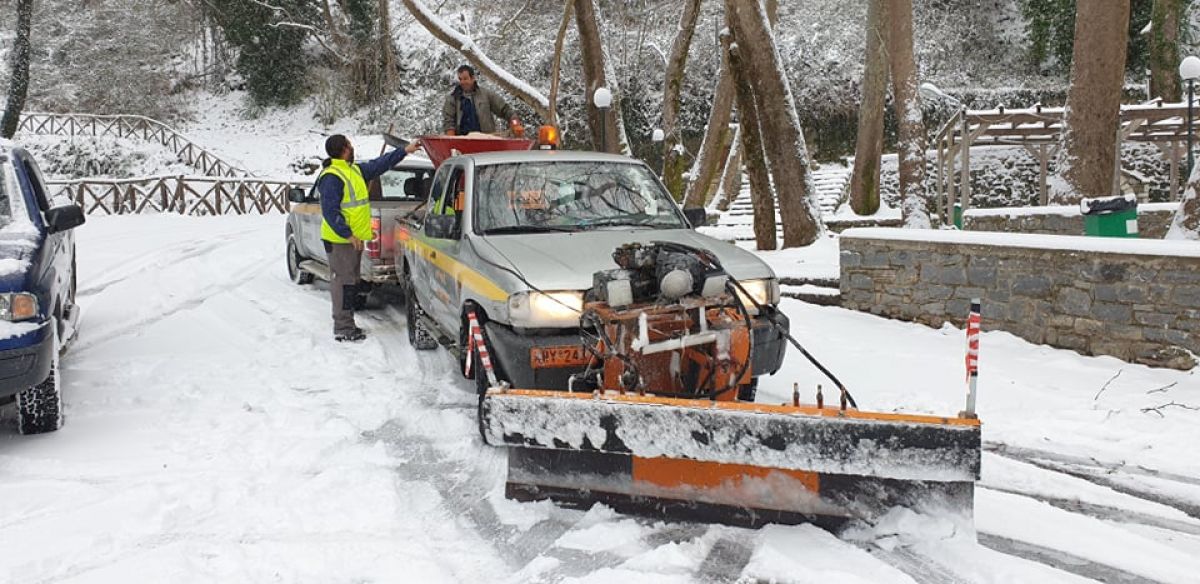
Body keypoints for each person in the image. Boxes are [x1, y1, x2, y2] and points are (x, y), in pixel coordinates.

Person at [318, 134, 422, 342]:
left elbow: (379, 164)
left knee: (351, 282)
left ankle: (347, 323)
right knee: (344, 283)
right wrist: (348, 234)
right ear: (344, 149)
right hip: (341, 241)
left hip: (352, 240)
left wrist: (404, 151)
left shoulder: (353, 170)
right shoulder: (332, 177)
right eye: (350, 145)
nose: (352, 147)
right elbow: (330, 211)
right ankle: (343, 328)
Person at [442, 65, 523, 136]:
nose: (462, 82)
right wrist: (451, 139)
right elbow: (448, 122)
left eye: (465, 79)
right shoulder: (452, 98)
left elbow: (506, 110)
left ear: (473, 78)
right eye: (460, 79)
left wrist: (515, 124)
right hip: (462, 141)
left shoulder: (486, 95)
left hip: (486, 139)